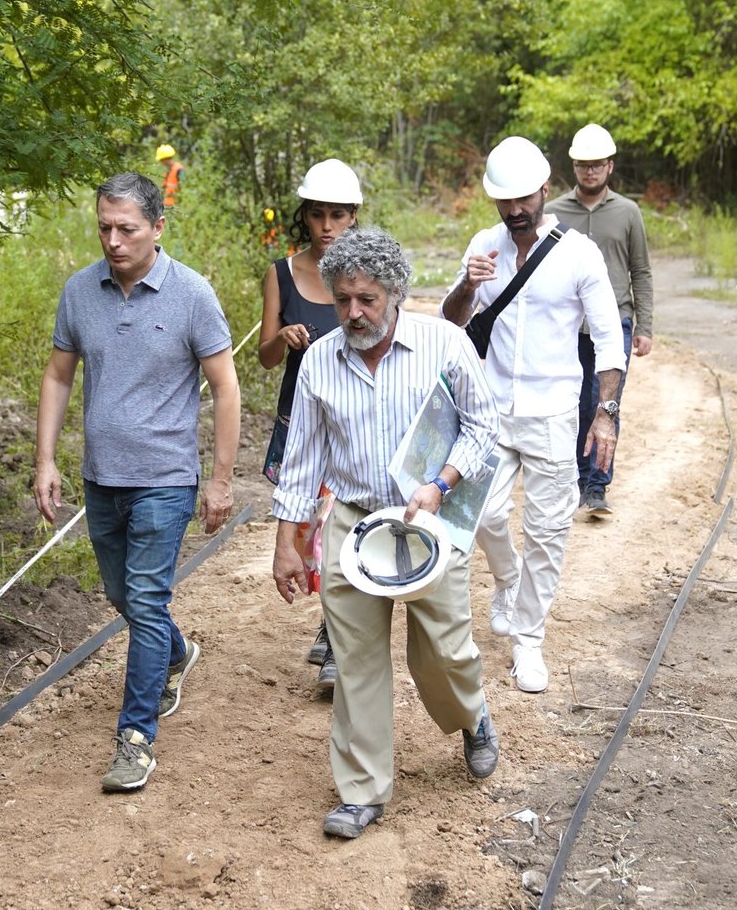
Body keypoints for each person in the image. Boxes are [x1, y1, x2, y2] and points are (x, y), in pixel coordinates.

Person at [271, 226, 502, 840]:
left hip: (430, 517)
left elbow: (483, 426)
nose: (354, 313)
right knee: (356, 662)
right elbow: (301, 461)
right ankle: (362, 791)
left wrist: (441, 483)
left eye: (367, 300)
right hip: (354, 522)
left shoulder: (445, 344)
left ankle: (472, 716)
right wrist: (286, 543)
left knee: (443, 654)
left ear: (395, 294)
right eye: (343, 300)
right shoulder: (321, 359)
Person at [32, 172, 240, 793]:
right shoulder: (80, 291)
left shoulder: (192, 295)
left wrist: (221, 480)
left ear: (157, 228)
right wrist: (45, 459)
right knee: (123, 597)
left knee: (146, 600)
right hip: (102, 477)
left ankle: (136, 738)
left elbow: (227, 387)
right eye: (104, 228)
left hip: (166, 479)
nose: (114, 241)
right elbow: (58, 376)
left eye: (127, 229)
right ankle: (175, 652)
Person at [440, 136, 625, 694]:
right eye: (505, 201)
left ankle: (529, 641)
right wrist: (468, 284)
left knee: (547, 531)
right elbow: (452, 323)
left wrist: (607, 413)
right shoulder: (482, 246)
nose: (516, 210)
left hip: (554, 412)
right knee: (481, 515)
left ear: (545, 191)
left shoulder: (578, 254)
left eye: (525, 198)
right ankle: (507, 581)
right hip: (490, 410)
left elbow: (610, 339)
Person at [258, 159, 363, 691]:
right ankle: (330, 620)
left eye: (338, 215)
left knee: (338, 525)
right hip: (299, 421)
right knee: (305, 531)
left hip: (352, 421)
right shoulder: (282, 272)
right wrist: (284, 336)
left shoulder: (365, 279)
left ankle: (335, 633)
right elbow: (265, 358)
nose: (327, 226)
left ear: (353, 217)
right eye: (318, 215)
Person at [544, 123, 653, 517]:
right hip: (569, 325)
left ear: (609, 167)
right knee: (572, 404)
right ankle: (572, 481)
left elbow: (640, 270)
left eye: (597, 165)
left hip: (616, 323)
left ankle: (596, 487)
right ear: (574, 167)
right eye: (582, 165)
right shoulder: (554, 212)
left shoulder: (628, 213)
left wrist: (645, 326)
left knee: (605, 403)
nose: (590, 172)